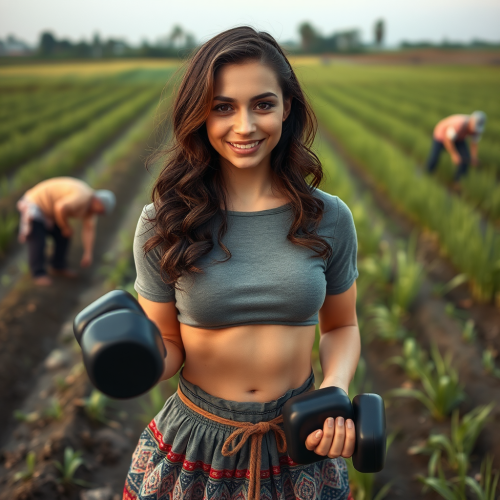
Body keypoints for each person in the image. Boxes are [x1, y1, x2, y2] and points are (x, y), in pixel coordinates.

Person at [124, 27, 359, 500]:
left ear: (286, 107)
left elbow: (340, 327)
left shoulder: (327, 217)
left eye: (263, 104)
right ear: (199, 115)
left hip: (301, 440)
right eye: (223, 106)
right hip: (197, 444)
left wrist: (333, 392)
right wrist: (138, 361)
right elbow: (168, 343)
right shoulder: (164, 222)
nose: (245, 126)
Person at [16, 177, 115, 286]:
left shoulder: (90, 211)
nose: (100, 214)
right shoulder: (83, 196)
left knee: (64, 236)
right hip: (35, 205)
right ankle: (38, 273)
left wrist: (88, 253)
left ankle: (57, 266)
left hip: (50, 211)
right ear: (97, 201)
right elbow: (60, 207)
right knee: (38, 241)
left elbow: (89, 230)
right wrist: (65, 227)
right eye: (101, 211)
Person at [426, 111, 487, 188]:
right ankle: (427, 174)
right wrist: (454, 155)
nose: (474, 131)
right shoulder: (459, 124)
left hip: (458, 138)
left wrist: (474, 157)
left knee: (465, 158)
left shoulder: (477, 130)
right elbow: (448, 140)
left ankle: (458, 183)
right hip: (441, 136)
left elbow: (474, 143)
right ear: (471, 121)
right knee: (434, 157)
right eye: (474, 128)